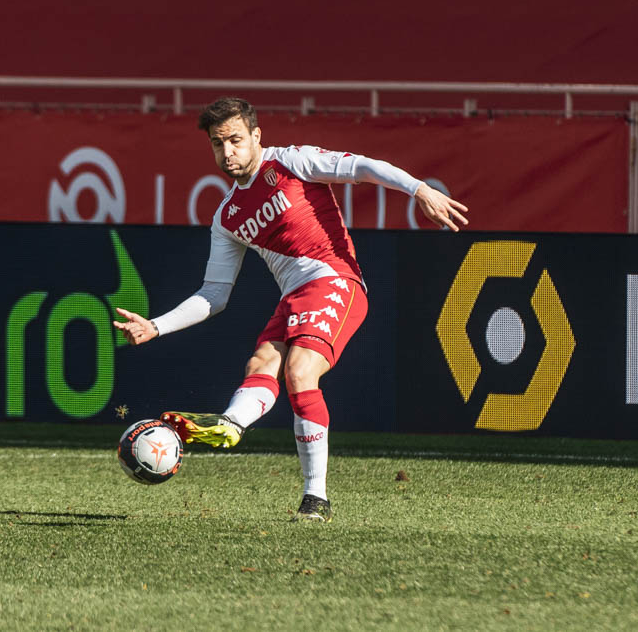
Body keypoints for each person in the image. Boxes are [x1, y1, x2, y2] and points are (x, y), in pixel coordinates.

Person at [113, 97, 468, 522]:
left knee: (300, 371)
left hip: (336, 281)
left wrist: (419, 189)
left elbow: (361, 167)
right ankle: (231, 423)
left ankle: (316, 497)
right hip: (294, 297)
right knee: (261, 363)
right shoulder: (227, 217)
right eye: (217, 144)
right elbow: (214, 294)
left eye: (235, 140)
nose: (227, 152)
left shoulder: (291, 162)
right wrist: (156, 326)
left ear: (256, 136)